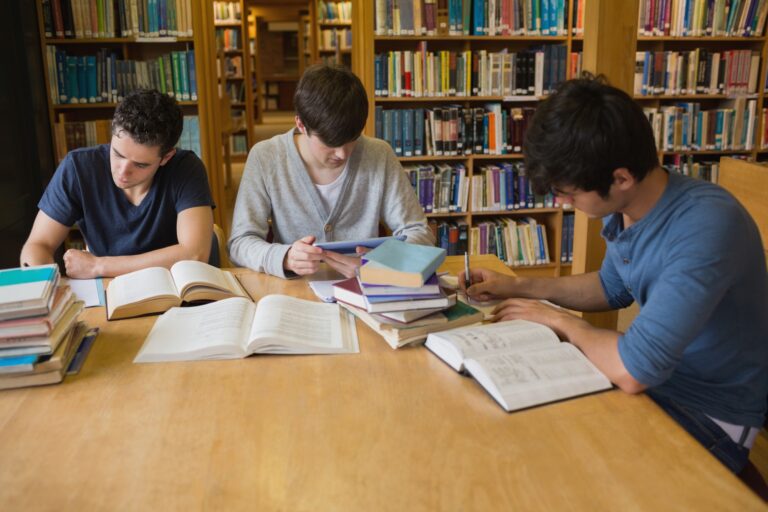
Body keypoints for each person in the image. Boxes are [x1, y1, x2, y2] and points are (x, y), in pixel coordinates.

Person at [461, 74, 767, 474]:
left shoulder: (706, 227)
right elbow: (611, 285)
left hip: (710, 412)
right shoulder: (634, 208)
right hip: (657, 385)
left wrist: (558, 321)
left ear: (622, 178)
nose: (566, 203)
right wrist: (516, 287)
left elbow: (635, 369)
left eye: (570, 194)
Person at [228, 64, 435, 279]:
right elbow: (240, 242)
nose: (343, 154)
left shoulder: (378, 154)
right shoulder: (266, 157)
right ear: (300, 123)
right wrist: (285, 257)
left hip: (364, 290)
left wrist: (382, 262)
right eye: (330, 143)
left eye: (352, 140)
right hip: (297, 290)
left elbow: (418, 232)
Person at [21, 89, 216, 277]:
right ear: (112, 133)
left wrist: (99, 266)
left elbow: (195, 254)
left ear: (166, 158)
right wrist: (44, 289)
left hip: (171, 291)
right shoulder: (78, 168)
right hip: (108, 293)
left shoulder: (186, 168)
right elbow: (38, 244)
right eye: (117, 154)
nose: (122, 172)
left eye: (140, 165)